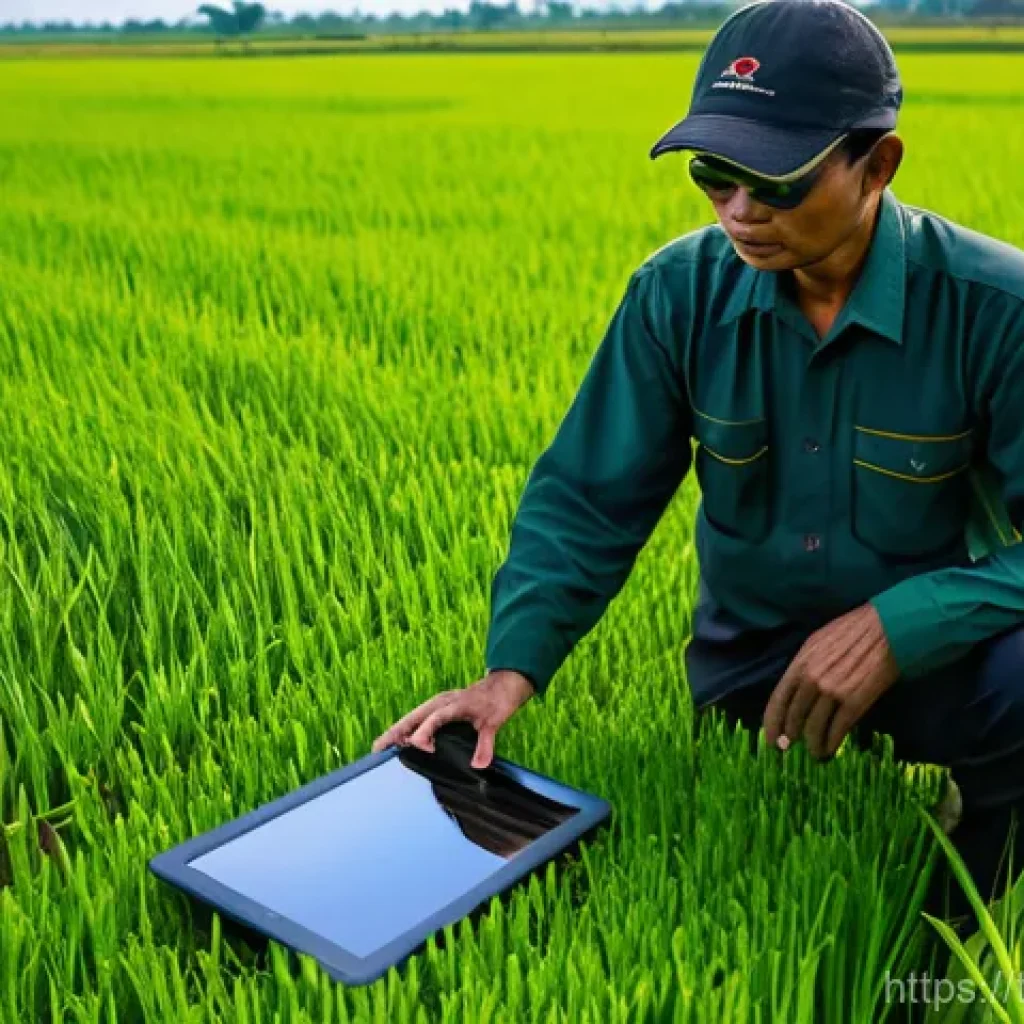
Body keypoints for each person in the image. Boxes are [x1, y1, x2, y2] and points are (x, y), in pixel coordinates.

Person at [373, 0, 1024, 929]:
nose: (739, 212)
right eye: (714, 175)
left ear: (877, 165)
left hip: (945, 667)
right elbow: (589, 498)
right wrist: (508, 672)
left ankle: (974, 889)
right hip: (754, 678)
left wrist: (902, 621)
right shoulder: (676, 295)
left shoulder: (994, 309)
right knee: (720, 869)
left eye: (776, 180)